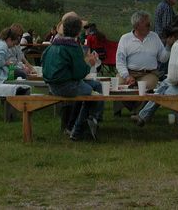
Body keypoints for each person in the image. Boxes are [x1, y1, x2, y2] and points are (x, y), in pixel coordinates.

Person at [42, 13, 103, 141]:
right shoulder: (72, 47)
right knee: (96, 96)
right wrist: (89, 63)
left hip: (52, 85)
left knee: (96, 86)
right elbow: (79, 74)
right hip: (67, 86)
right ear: (78, 31)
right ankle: (79, 128)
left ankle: (88, 121)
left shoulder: (53, 45)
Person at [116, 10, 168, 90]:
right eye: (147, 24)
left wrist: (169, 46)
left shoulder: (154, 37)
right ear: (137, 26)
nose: (150, 26)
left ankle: (142, 101)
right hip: (129, 72)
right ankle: (131, 100)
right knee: (119, 84)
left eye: (149, 24)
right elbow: (120, 61)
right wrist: (127, 76)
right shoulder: (125, 38)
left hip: (148, 74)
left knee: (147, 85)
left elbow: (163, 59)